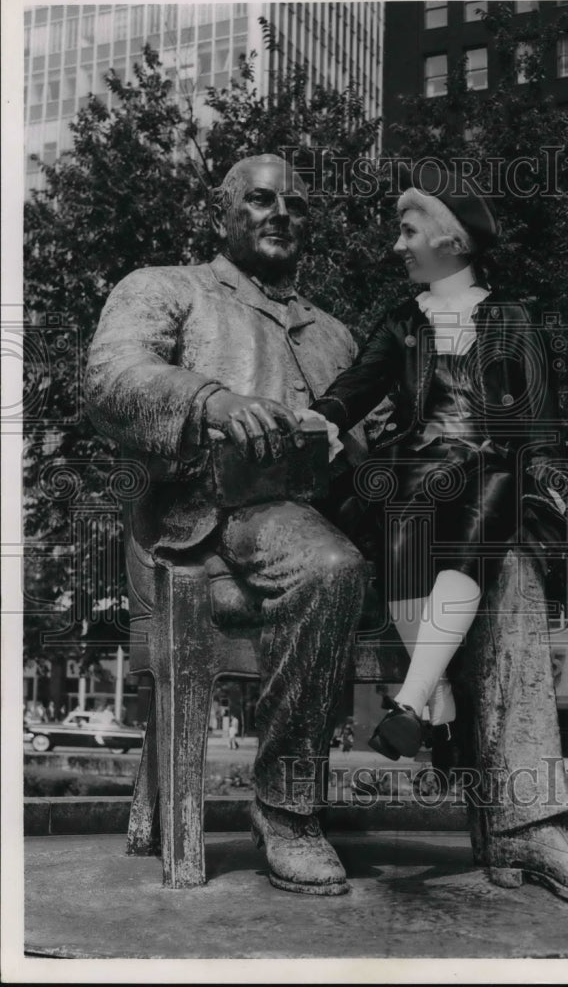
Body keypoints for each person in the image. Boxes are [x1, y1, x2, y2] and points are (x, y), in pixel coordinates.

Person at [312, 161, 568, 905]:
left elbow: (528, 418)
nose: (396, 244)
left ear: (452, 239)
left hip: (489, 474)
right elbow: (354, 387)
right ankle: (431, 705)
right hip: (410, 482)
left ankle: (421, 701)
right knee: (409, 506)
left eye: (407, 229)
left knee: (495, 488)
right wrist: (323, 416)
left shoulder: (512, 317)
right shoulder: (400, 321)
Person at [85, 154, 370, 897]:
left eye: (297, 206)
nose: (281, 214)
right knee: (329, 567)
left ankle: (516, 825)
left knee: (480, 559)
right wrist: (211, 401)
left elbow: (382, 433)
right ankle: (286, 811)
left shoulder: (335, 335)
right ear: (223, 215)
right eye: (260, 199)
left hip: (323, 515)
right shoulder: (166, 288)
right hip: (204, 530)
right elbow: (111, 381)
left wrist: (356, 444)